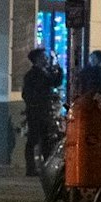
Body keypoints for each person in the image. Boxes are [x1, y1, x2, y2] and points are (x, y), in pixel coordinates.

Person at [21, 47, 60, 175]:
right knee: (33, 139)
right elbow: (26, 94)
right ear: (37, 59)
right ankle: (31, 168)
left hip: (45, 110)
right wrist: (35, 104)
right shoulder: (32, 75)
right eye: (44, 57)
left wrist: (58, 67)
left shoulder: (45, 72)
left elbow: (55, 82)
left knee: (46, 139)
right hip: (36, 111)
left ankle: (46, 167)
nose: (46, 59)